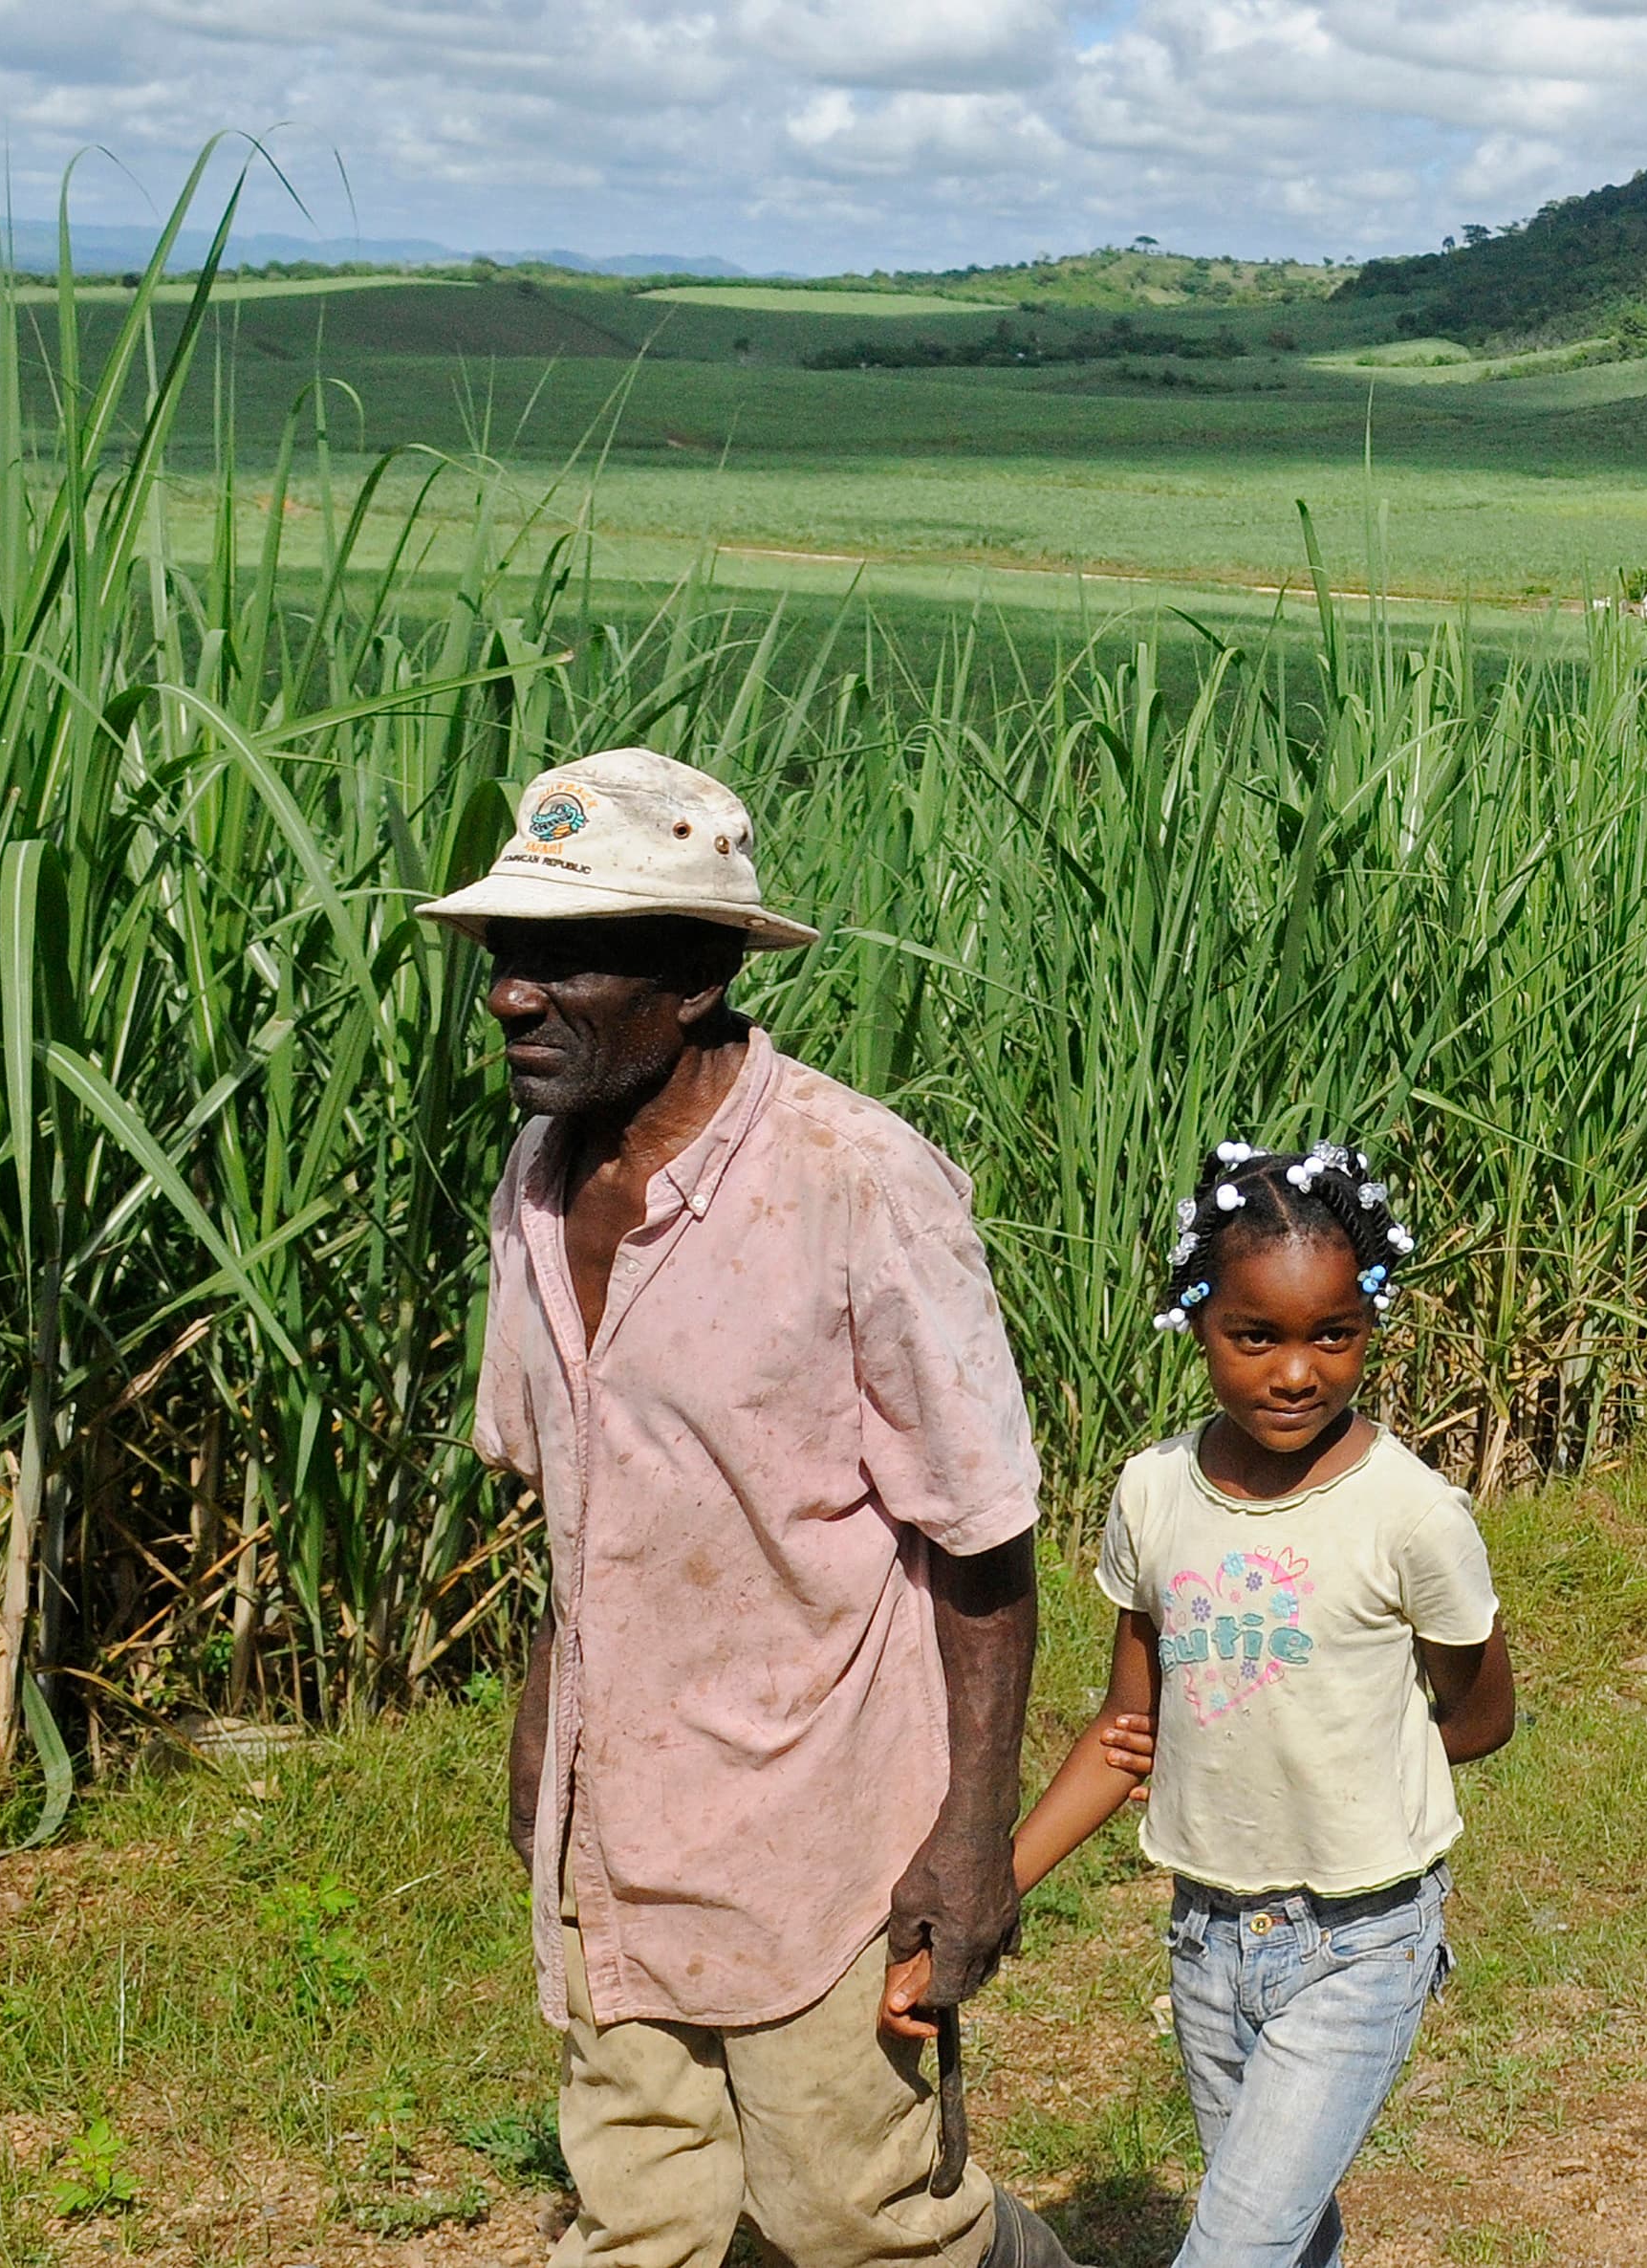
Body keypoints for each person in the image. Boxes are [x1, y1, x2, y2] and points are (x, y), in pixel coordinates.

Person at [419, 747, 1082, 2268]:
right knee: (641, 2211)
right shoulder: (536, 1175)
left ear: (699, 974)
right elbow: (575, 1505)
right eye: (508, 958)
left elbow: (984, 1541)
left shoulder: (858, 1184)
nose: (512, 998)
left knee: (850, 2222)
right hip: (620, 1812)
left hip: (825, 1821)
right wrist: (546, 1724)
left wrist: (973, 1840)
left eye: (566, 959)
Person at [998, 1141, 1516, 2268]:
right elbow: (1124, 1730)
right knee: (1286, 2232)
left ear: (1370, 1322)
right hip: (1207, 1938)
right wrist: (991, 1887)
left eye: (1333, 1334)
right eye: (1256, 1335)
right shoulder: (1149, 1495)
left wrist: (1353, 1753)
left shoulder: (1412, 1513)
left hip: (1358, 1940)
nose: (1297, 1371)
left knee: (1233, 2246)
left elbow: (1477, 1715)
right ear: (1195, 1320)